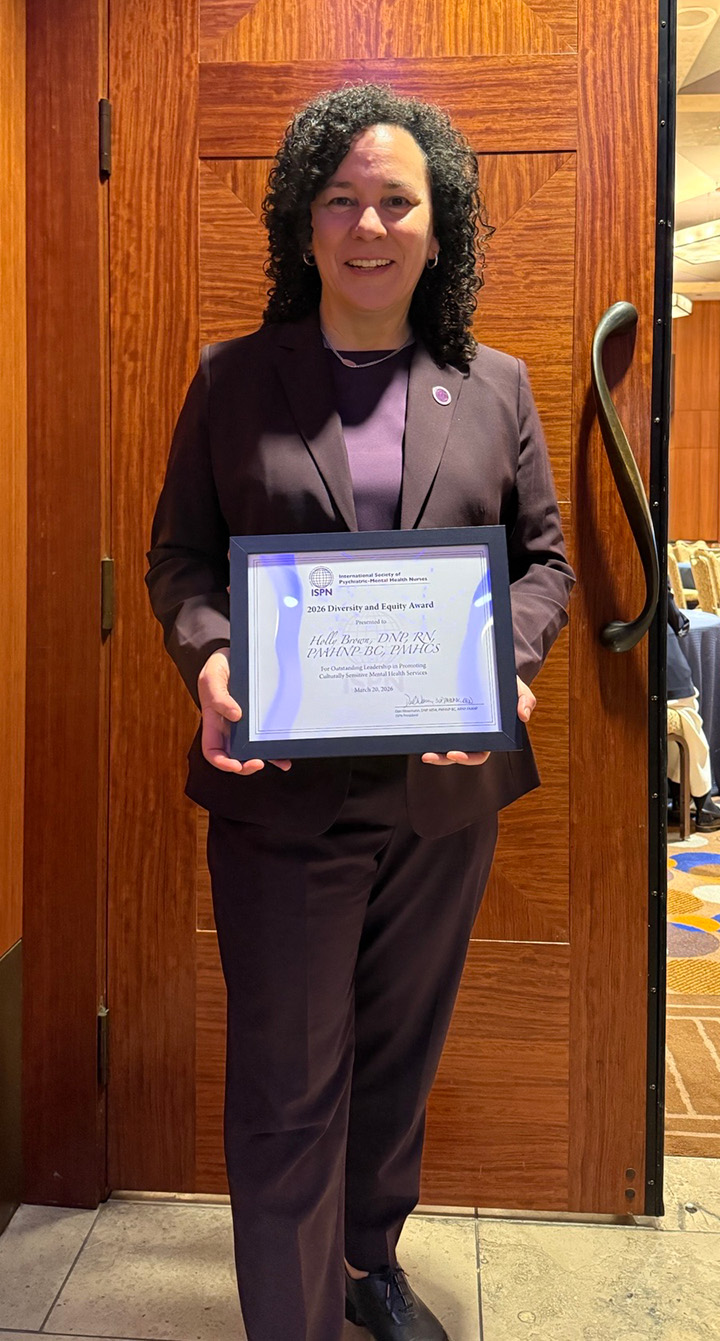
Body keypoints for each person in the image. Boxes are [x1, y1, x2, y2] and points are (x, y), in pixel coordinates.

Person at [146, 83, 575, 1341]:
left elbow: (544, 563)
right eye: (341, 200)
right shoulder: (233, 380)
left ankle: (366, 1263)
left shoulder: (493, 385)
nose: (369, 224)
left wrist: (508, 661)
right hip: (282, 798)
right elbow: (181, 558)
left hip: (443, 797)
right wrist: (214, 658)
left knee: (394, 1063)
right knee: (288, 1079)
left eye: (398, 200)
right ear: (304, 224)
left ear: (440, 230)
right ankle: (290, 1320)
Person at [667, 582, 720, 832]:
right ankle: (703, 802)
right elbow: (665, 600)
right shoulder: (654, 544)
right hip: (656, 651)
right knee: (688, 715)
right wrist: (679, 622)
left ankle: (680, 796)